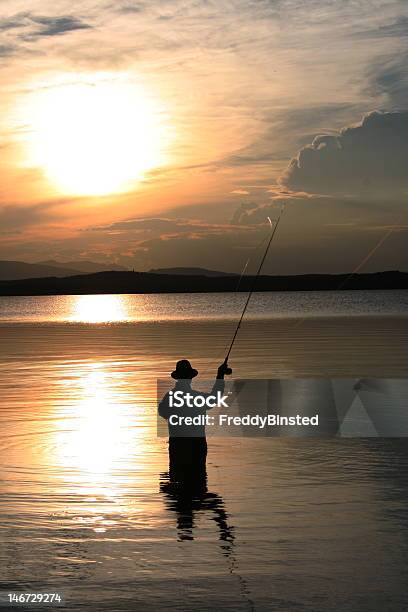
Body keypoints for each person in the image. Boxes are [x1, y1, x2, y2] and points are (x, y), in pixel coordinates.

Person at [158, 359, 231, 482]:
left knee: (177, 480)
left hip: (177, 447)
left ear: (177, 378)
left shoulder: (169, 397)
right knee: (198, 481)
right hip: (197, 447)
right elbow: (214, 398)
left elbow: (162, 412)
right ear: (191, 378)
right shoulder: (197, 398)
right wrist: (220, 376)